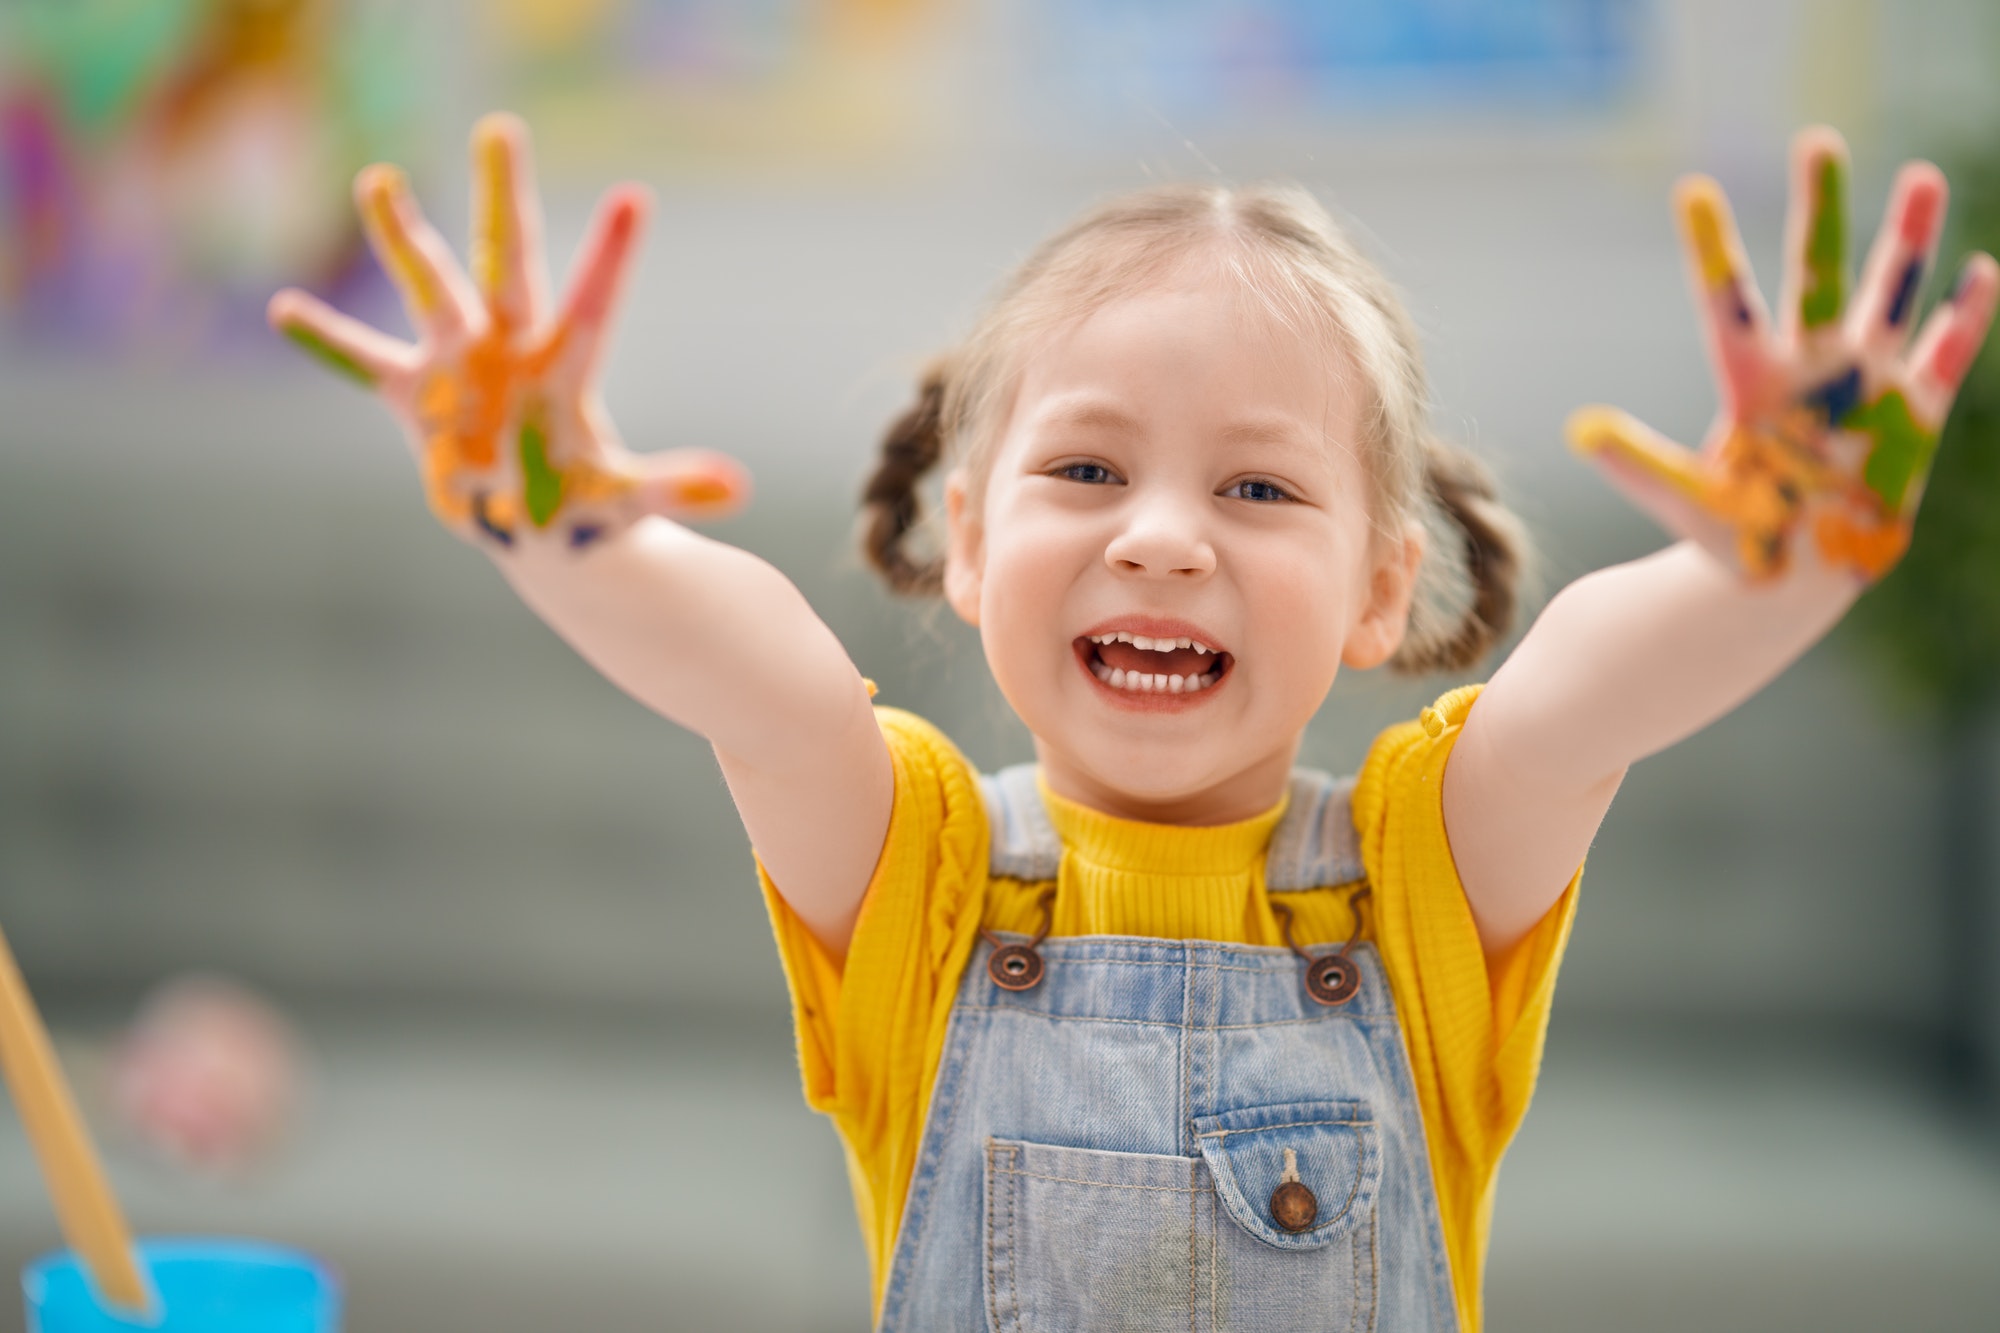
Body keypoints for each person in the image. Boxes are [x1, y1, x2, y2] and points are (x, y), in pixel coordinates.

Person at [267, 115, 1997, 1331]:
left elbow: (1577, 701)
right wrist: (559, 520)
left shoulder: (1419, 874)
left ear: (1383, 589)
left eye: (1257, 484)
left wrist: (1778, 576)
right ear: (965, 540)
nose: (1162, 534)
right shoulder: (927, 873)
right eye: (1087, 468)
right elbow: (767, 682)